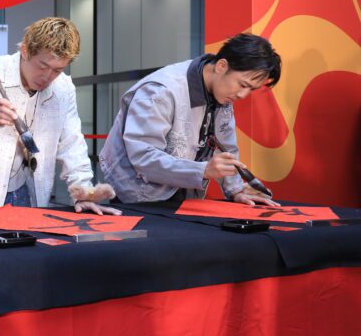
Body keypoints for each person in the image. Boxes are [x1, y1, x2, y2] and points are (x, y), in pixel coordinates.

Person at [0, 16, 117, 214]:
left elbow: (72, 144)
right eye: (42, 66)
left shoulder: (63, 88)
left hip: (24, 189)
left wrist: (84, 191)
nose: (47, 77)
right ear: (25, 51)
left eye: (58, 70)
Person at [99, 33, 282, 206]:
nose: (243, 95)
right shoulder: (161, 91)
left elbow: (226, 149)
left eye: (251, 89)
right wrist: (203, 171)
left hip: (183, 195)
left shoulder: (223, 92)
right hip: (137, 195)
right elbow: (143, 156)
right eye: (242, 85)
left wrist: (236, 190)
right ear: (221, 66)